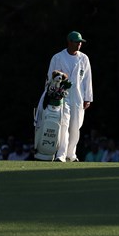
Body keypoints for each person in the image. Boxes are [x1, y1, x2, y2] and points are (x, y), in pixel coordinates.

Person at [39, 30, 93, 162]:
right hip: (61, 96)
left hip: (78, 96)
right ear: (69, 42)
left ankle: (71, 154)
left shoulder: (84, 58)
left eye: (80, 42)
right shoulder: (57, 57)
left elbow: (87, 79)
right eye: (76, 42)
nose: (79, 45)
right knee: (63, 124)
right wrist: (50, 94)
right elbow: (50, 78)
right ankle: (61, 154)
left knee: (76, 126)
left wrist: (88, 98)